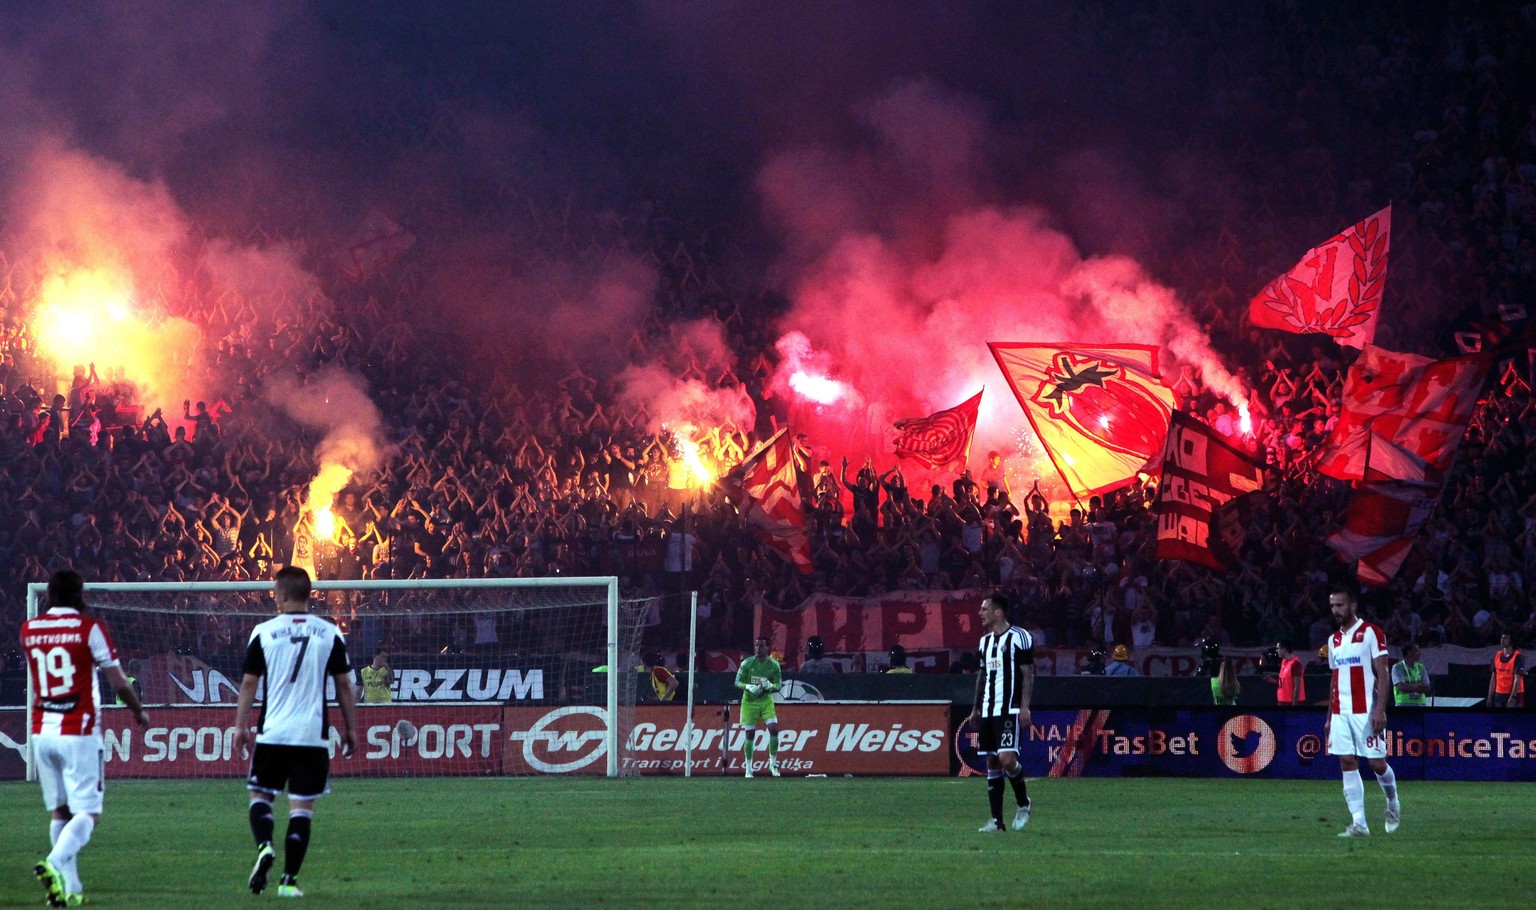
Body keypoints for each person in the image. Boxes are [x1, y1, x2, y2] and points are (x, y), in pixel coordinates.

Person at [23, 569, 150, 908]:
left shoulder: (29, 629)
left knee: (60, 812)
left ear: (48, 595)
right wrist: (138, 710)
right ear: (80, 594)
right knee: (88, 814)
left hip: (41, 731)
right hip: (78, 731)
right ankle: (53, 863)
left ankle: (71, 888)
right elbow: (118, 681)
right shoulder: (89, 629)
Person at [234, 566, 358, 897]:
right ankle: (289, 882)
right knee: (301, 808)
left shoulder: (263, 632)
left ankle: (264, 846)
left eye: (276, 591)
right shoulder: (329, 633)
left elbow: (249, 682)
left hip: (273, 732)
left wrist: (240, 725)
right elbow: (344, 685)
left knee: (260, 796)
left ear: (284, 594)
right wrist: (351, 728)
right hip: (311, 735)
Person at [1325, 588, 1400, 837]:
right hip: (1339, 711)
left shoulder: (1371, 633)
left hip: (1365, 710)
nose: (1336, 610)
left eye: (1340, 605)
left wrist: (1380, 710)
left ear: (1353, 605)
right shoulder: (1333, 640)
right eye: (1333, 605)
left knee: (1377, 764)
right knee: (1346, 761)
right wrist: (1328, 718)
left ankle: (1392, 802)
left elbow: (1383, 672)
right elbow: (1334, 679)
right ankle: (1360, 824)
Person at [967, 592, 1034, 833]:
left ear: (998, 612)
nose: (980, 613)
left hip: (1010, 708)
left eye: (984, 609)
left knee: (1007, 759)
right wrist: (976, 707)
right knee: (992, 762)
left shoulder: (1020, 637)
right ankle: (997, 822)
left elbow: (1027, 673)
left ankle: (1024, 803)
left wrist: (1025, 706)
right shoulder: (984, 642)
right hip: (987, 709)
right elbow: (982, 675)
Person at [735, 636, 782, 777]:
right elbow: (737, 682)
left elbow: (778, 685)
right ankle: (749, 768)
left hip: (765, 701)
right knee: (750, 734)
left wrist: (770, 687)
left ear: (767, 648)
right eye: (756, 646)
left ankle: (773, 764)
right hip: (749, 702)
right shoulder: (747, 664)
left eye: (761, 646)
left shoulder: (774, 665)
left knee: (774, 729)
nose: (758, 648)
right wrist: (748, 687)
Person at [1486, 633, 1523, 707]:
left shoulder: (1518, 656)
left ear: (1511, 641)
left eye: (1505, 638)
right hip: (1499, 694)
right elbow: (1493, 678)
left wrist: (1512, 697)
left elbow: (1517, 679)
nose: (1502, 640)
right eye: (1502, 638)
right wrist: (1489, 696)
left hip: (1515, 694)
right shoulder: (1497, 655)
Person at [1391, 642, 1432, 707]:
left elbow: (1427, 687)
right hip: (1403, 704)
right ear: (1409, 652)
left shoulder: (1421, 667)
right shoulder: (1397, 667)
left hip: (1420, 704)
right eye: (1416, 650)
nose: (1419, 653)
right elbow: (1402, 687)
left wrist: (1408, 686)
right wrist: (1418, 685)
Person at [1268, 641, 1306, 705]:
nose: (1276, 651)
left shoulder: (1295, 664)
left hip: (1290, 702)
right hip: (1282, 701)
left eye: (1278, 648)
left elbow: (1297, 688)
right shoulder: (1284, 662)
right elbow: (1285, 681)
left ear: (1284, 649)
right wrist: (1274, 681)